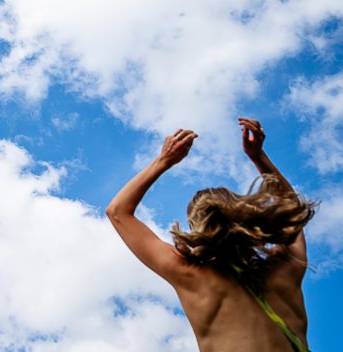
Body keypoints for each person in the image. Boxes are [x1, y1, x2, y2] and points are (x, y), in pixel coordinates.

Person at [106, 118, 316, 352]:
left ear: (197, 229)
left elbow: (118, 212)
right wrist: (258, 156)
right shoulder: (284, 270)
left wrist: (163, 160)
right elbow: (292, 208)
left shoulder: (190, 275)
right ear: (243, 216)